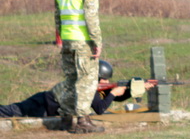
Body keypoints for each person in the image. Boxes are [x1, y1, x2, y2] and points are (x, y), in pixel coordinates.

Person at [55, 0, 106, 134]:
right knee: (87, 80)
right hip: (83, 42)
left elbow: (58, 19)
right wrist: (97, 42)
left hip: (67, 41)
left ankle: (66, 118)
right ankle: (83, 120)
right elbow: (91, 19)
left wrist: (62, 39)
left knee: (70, 80)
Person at [0, 60, 129, 119]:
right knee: (9, 111)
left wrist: (130, 91)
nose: (107, 82)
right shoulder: (87, 86)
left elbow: (109, 99)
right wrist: (113, 93)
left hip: (46, 105)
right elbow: (100, 109)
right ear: (97, 78)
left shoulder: (90, 85)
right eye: (105, 79)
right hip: (41, 104)